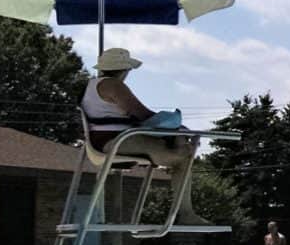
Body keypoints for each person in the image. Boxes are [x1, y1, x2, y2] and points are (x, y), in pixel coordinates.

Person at [81, 48, 206, 226]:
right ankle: (186, 214)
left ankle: (186, 213)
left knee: (180, 142)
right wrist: (177, 127)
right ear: (125, 69)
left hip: (109, 140)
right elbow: (144, 116)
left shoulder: (91, 85)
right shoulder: (113, 85)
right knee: (183, 157)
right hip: (117, 141)